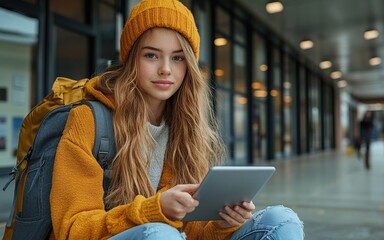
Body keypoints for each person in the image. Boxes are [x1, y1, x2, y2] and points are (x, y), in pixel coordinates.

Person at [49, 0, 304, 239]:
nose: (166, 69)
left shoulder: (185, 127)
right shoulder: (88, 120)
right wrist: (153, 211)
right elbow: (72, 229)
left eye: (178, 57)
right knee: (160, 234)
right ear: (131, 59)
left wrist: (222, 224)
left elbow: (192, 232)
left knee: (281, 221)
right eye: (151, 55)